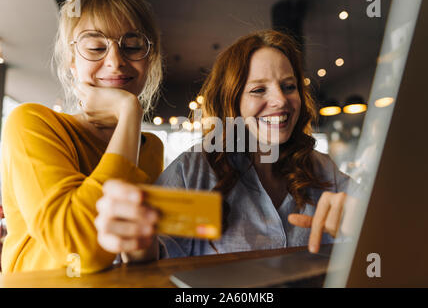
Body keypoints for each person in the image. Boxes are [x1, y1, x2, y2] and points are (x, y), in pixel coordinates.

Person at [95, 29, 352, 262]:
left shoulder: (322, 169)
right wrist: (137, 240)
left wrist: (362, 217)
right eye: (258, 90)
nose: (281, 101)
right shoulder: (193, 171)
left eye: (288, 86)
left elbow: (382, 219)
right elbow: (152, 258)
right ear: (232, 102)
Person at [0, 0, 164, 273]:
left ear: (150, 58)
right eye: (96, 47)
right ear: (72, 62)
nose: (115, 61)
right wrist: (128, 113)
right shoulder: (31, 123)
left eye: (133, 45)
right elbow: (79, 249)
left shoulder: (151, 146)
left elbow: (135, 249)